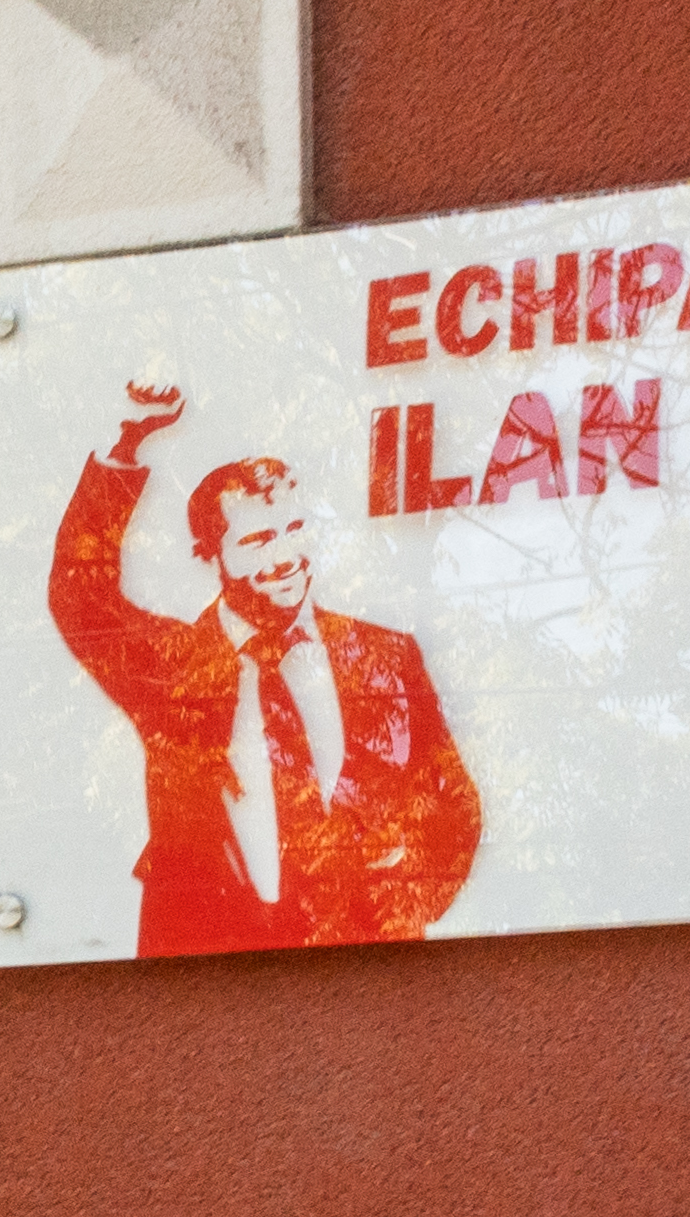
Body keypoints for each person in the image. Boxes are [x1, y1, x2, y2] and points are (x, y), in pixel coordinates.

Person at [40, 376, 482, 952]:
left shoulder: (385, 658)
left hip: (362, 989)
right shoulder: (171, 667)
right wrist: (126, 446)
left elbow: (453, 802)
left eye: (294, 530)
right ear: (210, 555)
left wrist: (400, 906)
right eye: (255, 541)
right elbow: (80, 598)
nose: (283, 559)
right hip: (205, 1000)